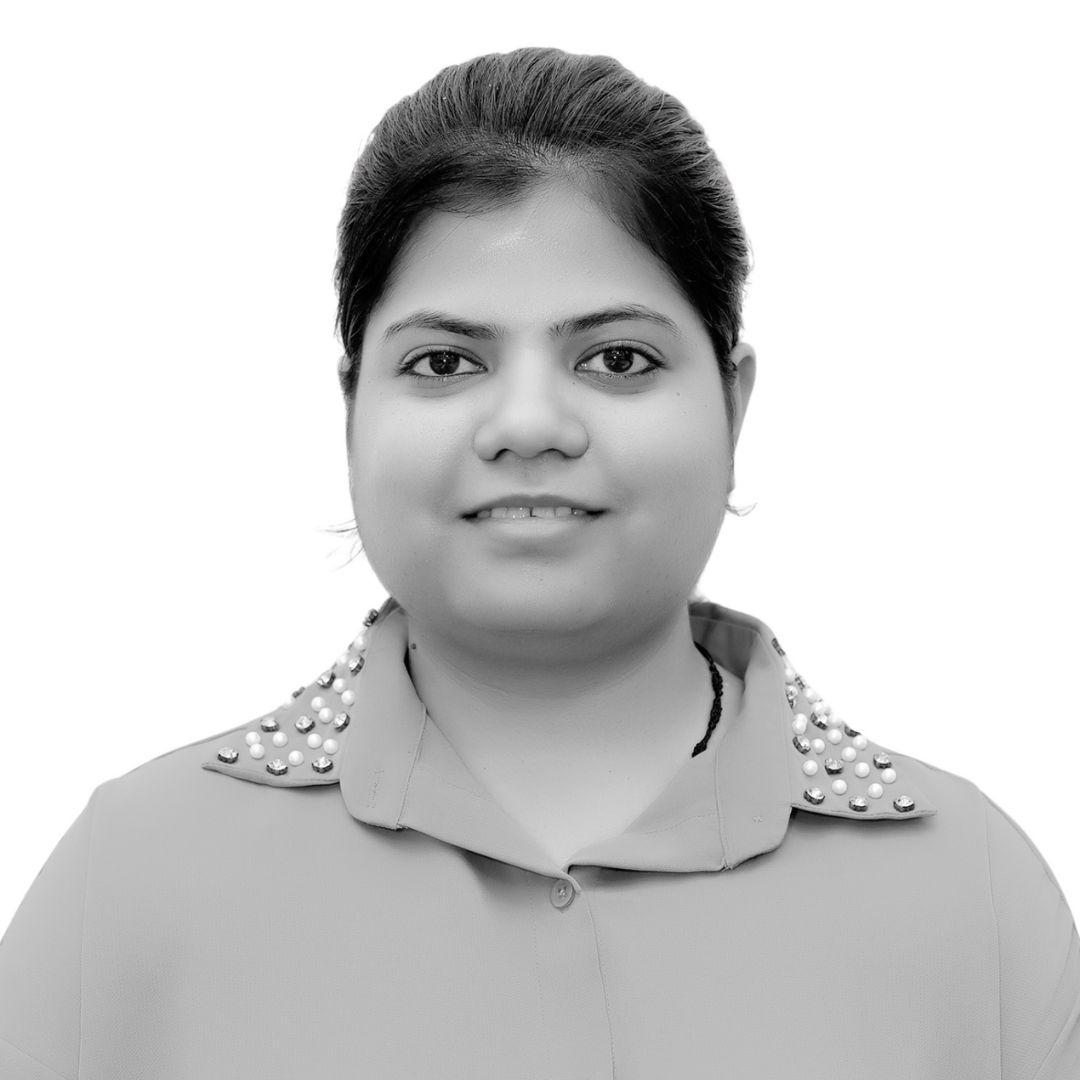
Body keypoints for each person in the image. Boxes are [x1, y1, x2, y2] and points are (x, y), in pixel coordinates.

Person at [1, 45, 1077, 1079]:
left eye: (618, 358)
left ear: (733, 403)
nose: (527, 424)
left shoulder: (971, 899)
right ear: (352, 408)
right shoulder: (131, 882)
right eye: (444, 361)